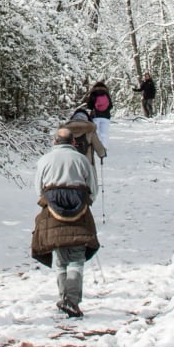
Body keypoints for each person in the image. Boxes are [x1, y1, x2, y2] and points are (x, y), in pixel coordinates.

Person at [33, 126, 100, 317]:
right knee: (77, 258)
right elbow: (92, 188)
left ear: (54, 142)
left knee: (60, 258)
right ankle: (71, 300)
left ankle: (64, 298)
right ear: (73, 142)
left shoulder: (44, 160)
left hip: (52, 212)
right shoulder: (82, 160)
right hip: (80, 212)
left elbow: (38, 189)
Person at [85, 81, 113, 148]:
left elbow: (89, 106)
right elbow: (111, 106)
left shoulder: (93, 94)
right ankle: (104, 147)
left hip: (95, 116)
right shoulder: (106, 94)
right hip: (106, 116)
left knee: (96, 132)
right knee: (104, 133)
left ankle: (96, 147)